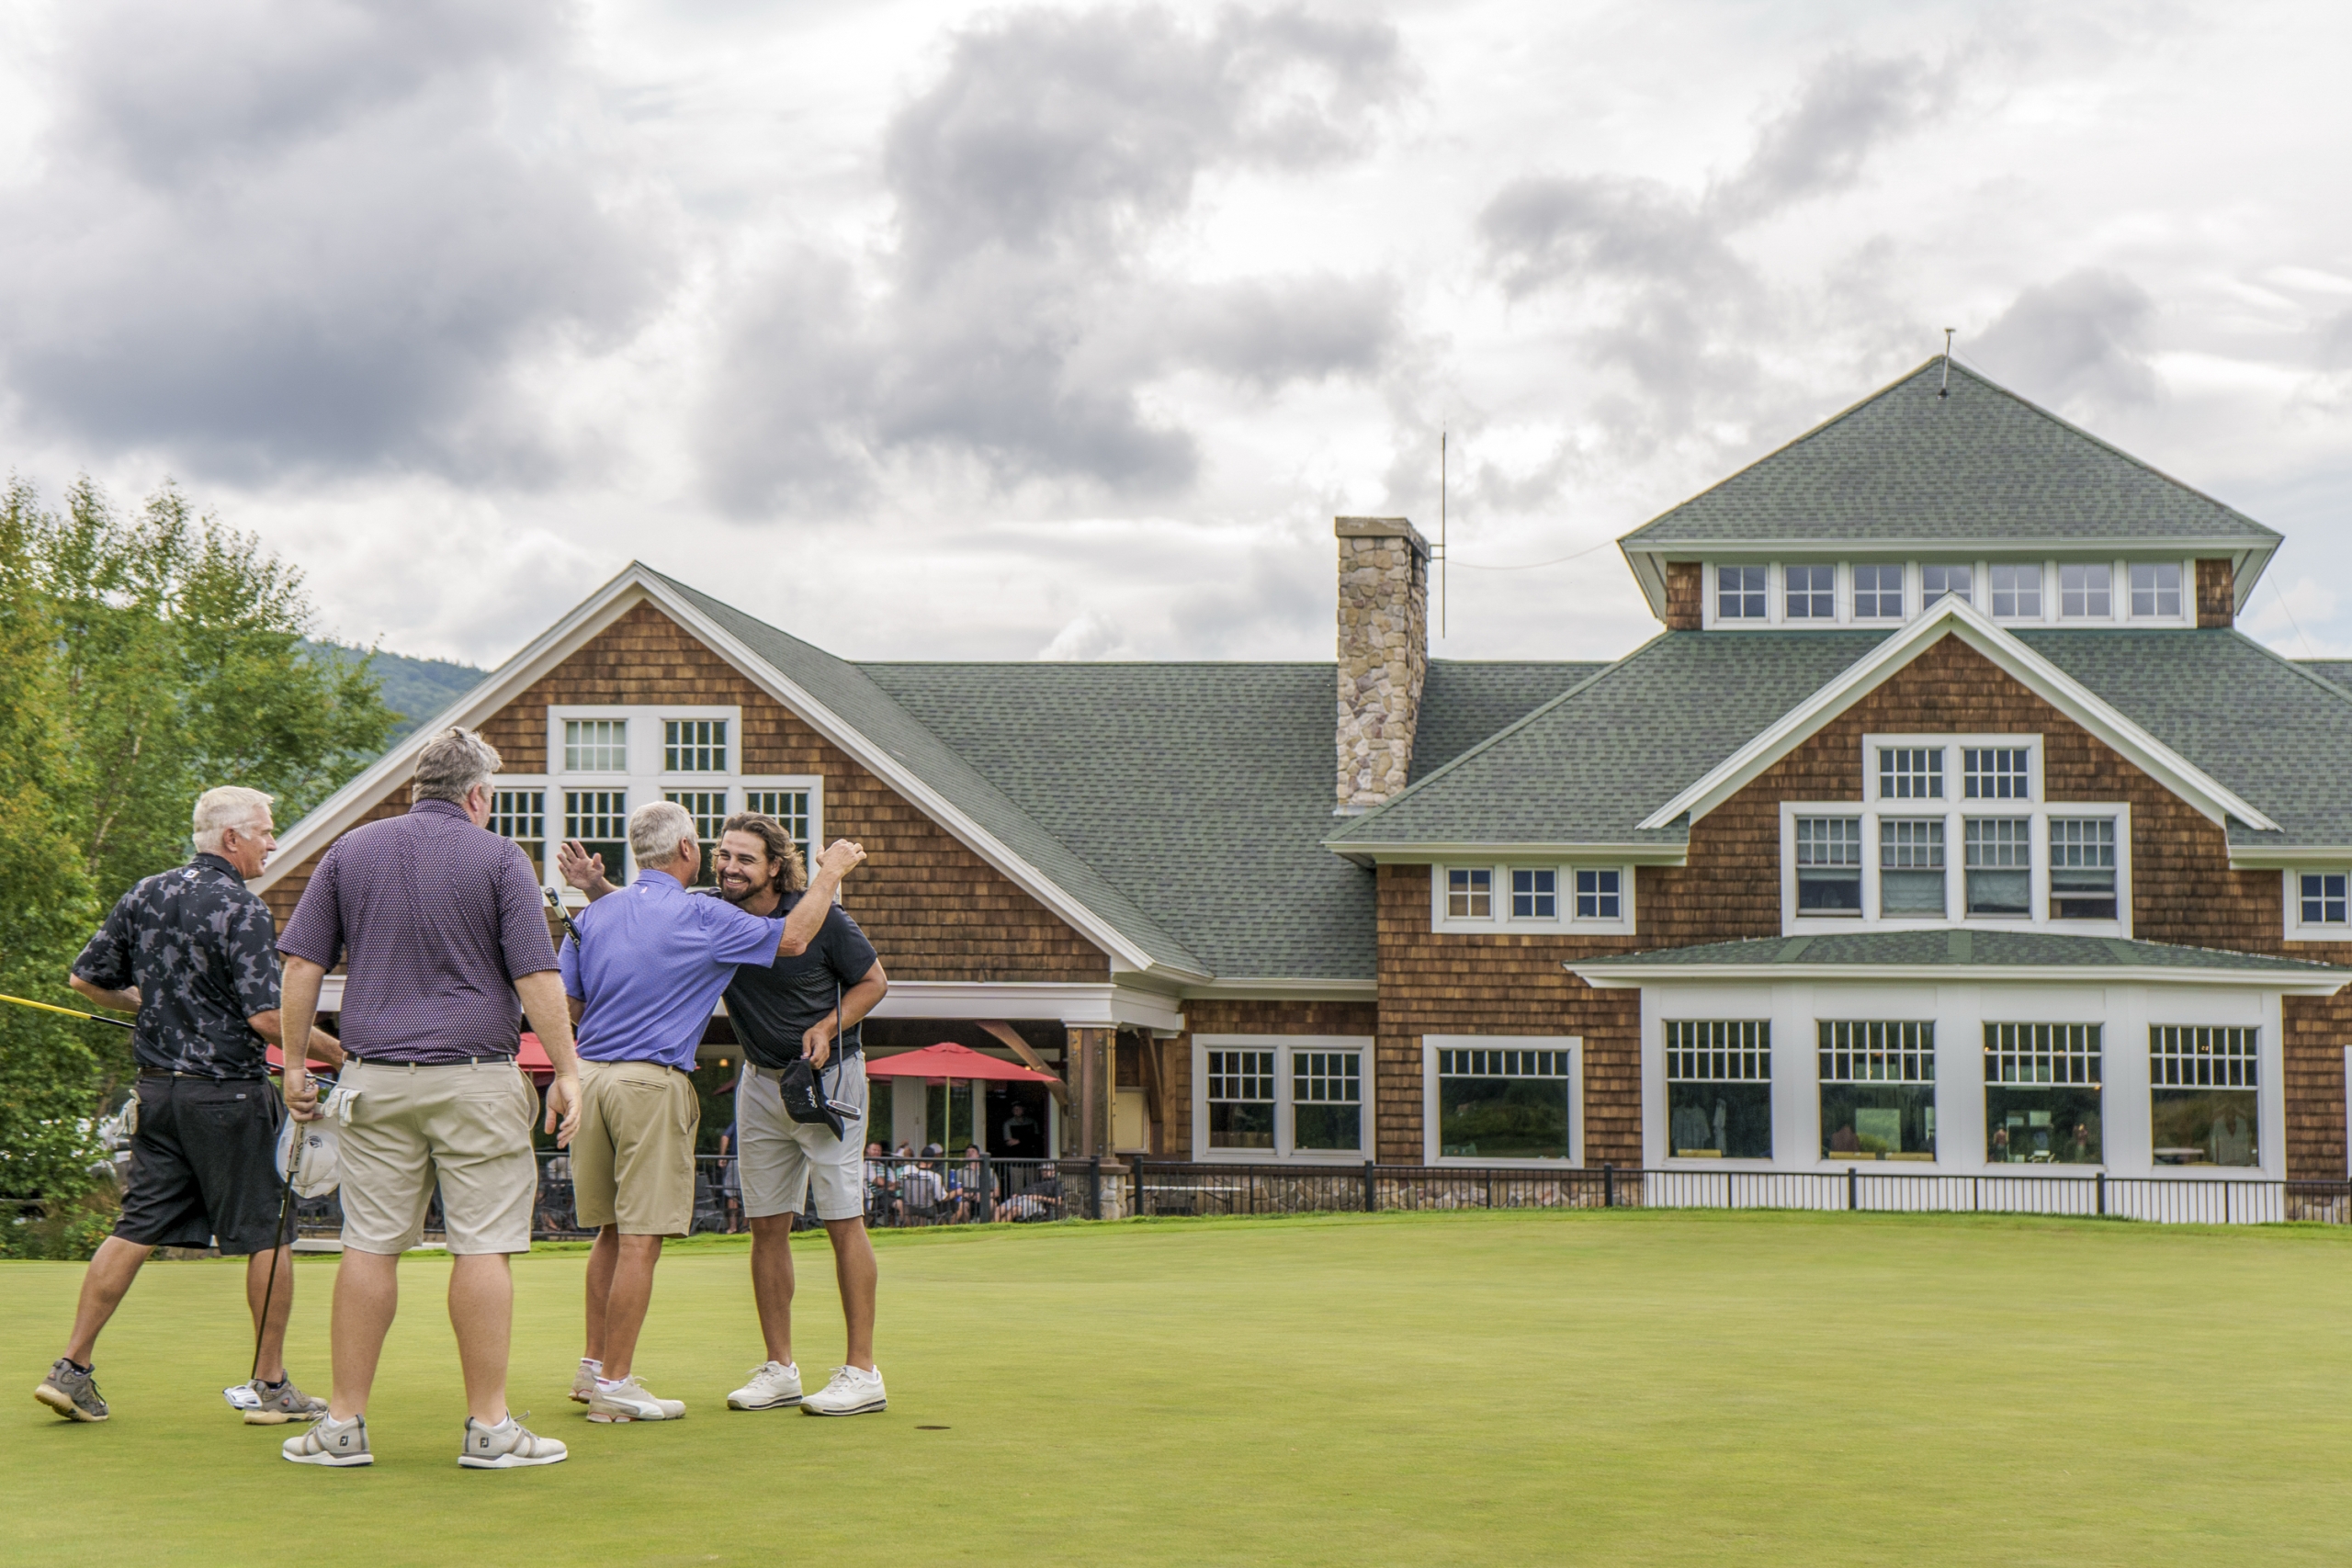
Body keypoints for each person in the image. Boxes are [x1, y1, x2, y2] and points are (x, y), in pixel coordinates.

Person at [273, 728, 585, 1471]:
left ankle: (343, 1426)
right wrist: (568, 1069)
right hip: (477, 1077)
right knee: (480, 1244)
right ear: (477, 795)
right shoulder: (502, 856)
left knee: (368, 1244)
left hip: (375, 1078)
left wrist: (293, 1062)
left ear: (418, 786)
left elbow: (301, 965)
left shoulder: (352, 850)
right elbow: (537, 977)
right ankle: (488, 1428)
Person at [35, 786, 345, 1427]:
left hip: (158, 1093)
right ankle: (269, 1384)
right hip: (227, 1095)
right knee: (268, 1233)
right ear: (231, 839)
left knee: (135, 1226)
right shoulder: (243, 907)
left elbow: (86, 978)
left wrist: (147, 1005)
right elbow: (266, 1015)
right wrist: (337, 1052)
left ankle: (71, 1367)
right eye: (264, 830)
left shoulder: (145, 892)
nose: (273, 840)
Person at [550, 800, 864, 1424]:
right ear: (689, 850)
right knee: (641, 1237)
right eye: (716, 851)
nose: (723, 862)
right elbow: (794, 937)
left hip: (592, 1076)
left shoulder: (598, 913)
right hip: (649, 1083)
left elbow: (573, 1005)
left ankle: (593, 1368)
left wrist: (597, 890)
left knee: (610, 1231)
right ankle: (615, 1384)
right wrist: (830, 872)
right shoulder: (702, 915)